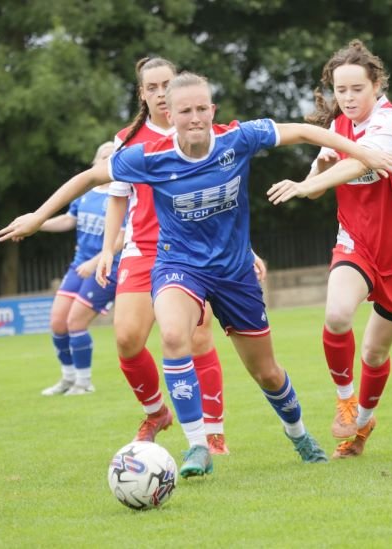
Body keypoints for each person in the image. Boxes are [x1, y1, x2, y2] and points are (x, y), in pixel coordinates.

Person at [0, 71, 392, 477]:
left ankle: (298, 433)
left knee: (266, 372)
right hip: (178, 266)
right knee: (174, 335)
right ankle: (197, 446)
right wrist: (37, 216)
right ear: (170, 116)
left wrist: (363, 153)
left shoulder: (237, 139)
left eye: (200, 109)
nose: (194, 118)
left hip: (234, 273)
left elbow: (301, 131)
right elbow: (89, 177)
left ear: (212, 110)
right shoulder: (149, 156)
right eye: (184, 111)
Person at [268, 39, 392, 460]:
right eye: (341, 91)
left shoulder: (391, 121)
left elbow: (360, 163)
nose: (348, 98)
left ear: (376, 85)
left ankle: (361, 426)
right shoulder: (338, 127)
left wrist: (309, 183)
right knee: (338, 314)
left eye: (357, 89)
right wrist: (316, 170)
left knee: (375, 351)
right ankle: (345, 400)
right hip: (355, 243)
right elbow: (326, 178)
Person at [97, 57, 245, 454]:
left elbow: (226, 199)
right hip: (143, 249)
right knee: (127, 339)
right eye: (152, 87)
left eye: (166, 85)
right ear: (142, 94)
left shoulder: (203, 131)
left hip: (193, 249)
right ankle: (157, 412)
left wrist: (247, 249)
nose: (160, 93)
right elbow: (117, 199)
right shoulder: (127, 140)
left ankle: (212, 433)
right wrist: (107, 249)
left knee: (196, 336)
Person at [39, 141, 125, 396]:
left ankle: (84, 382)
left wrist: (95, 261)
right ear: (94, 163)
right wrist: (37, 222)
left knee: (76, 321)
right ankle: (68, 378)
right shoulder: (86, 194)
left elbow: (122, 237)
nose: (107, 160)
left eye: (113, 157)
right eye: (103, 156)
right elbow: (68, 219)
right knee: (57, 321)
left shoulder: (122, 194)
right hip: (80, 265)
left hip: (105, 268)